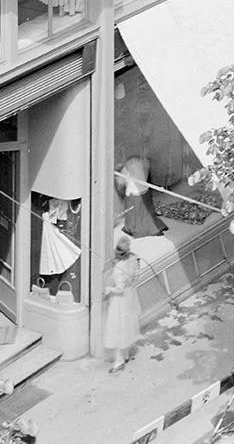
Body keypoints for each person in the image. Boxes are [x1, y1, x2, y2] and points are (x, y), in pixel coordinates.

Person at [102, 234, 142, 372]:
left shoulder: (119, 267)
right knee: (126, 326)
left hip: (119, 301)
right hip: (130, 296)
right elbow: (136, 275)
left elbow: (119, 289)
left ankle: (118, 360)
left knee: (116, 329)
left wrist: (108, 290)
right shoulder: (133, 259)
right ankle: (125, 354)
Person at [116, 156, 168, 238]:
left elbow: (120, 183)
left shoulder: (126, 167)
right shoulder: (140, 160)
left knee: (133, 214)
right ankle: (154, 228)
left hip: (134, 193)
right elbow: (146, 171)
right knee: (147, 211)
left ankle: (132, 228)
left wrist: (121, 192)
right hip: (144, 189)